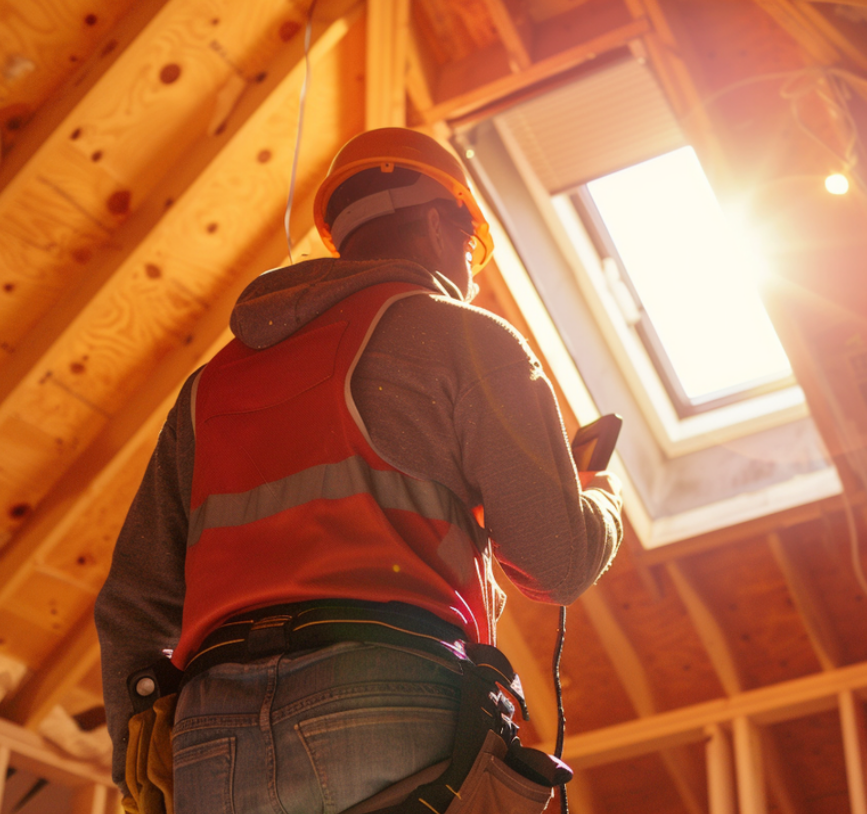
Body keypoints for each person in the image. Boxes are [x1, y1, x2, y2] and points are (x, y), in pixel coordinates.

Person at [95, 127, 624, 814]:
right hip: (385, 683)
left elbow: (133, 602)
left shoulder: (209, 388)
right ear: (440, 225)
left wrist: (137, 745)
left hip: (211, 721)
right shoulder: (465, 337)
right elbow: (556, 562)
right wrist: (600, 502)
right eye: (471, 252)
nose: (470, 275)